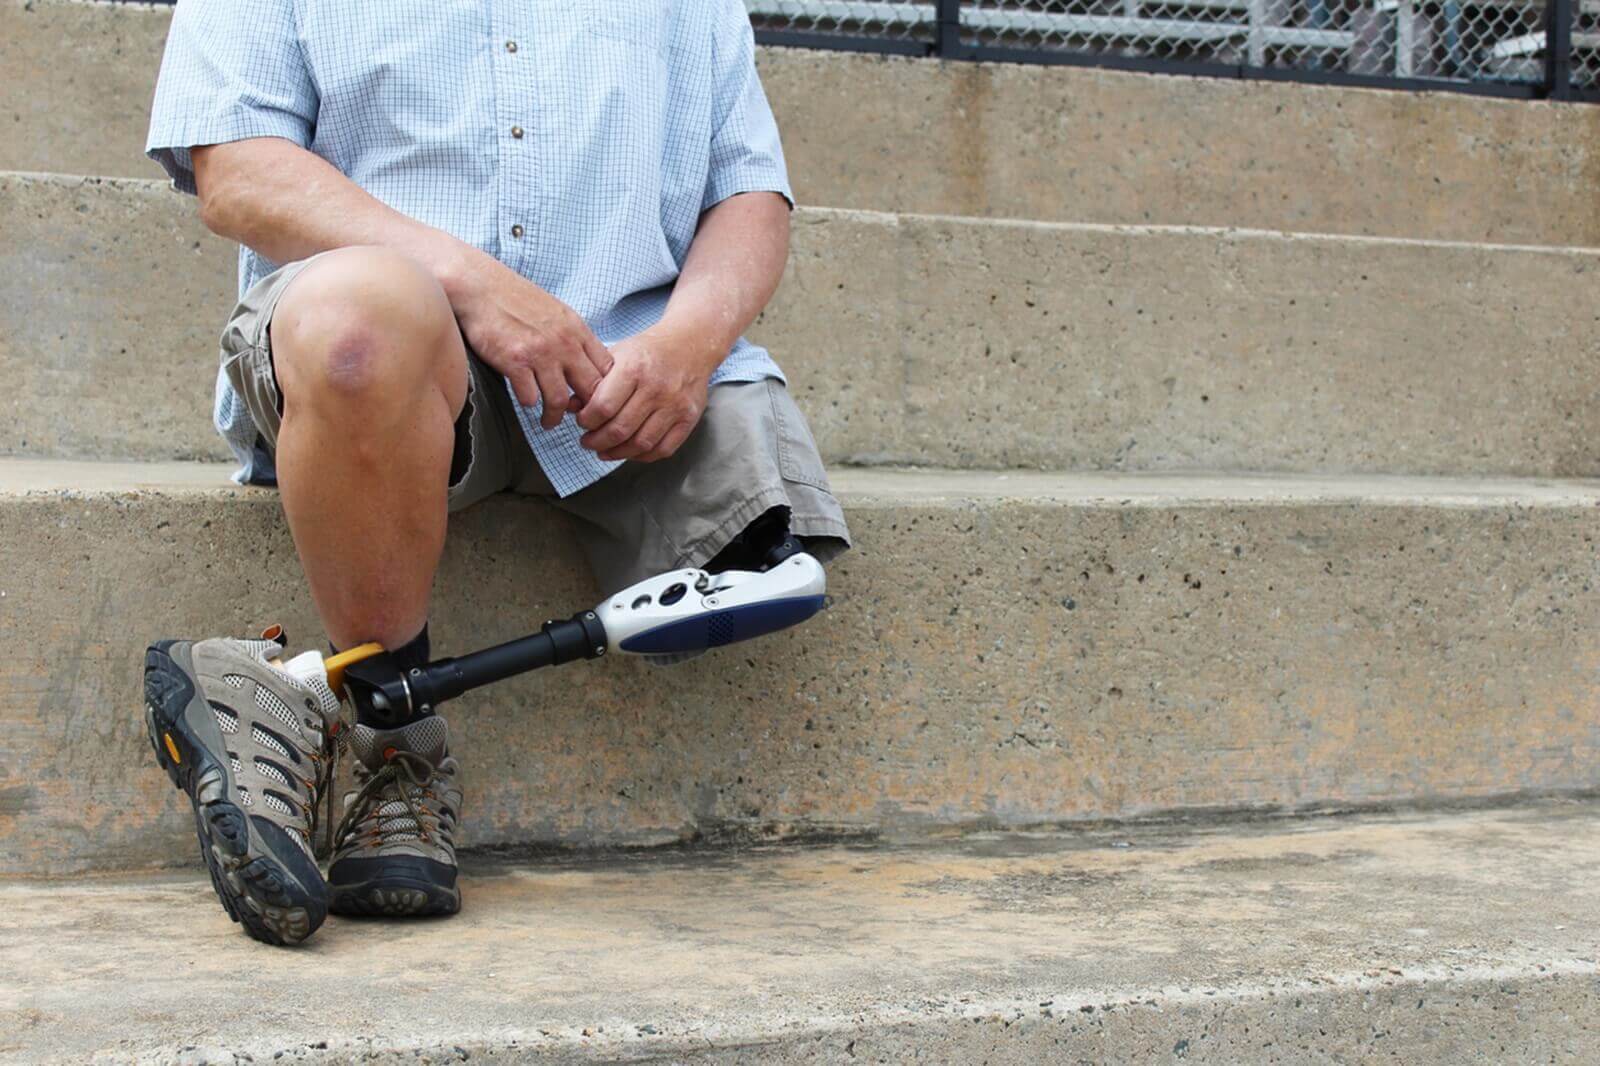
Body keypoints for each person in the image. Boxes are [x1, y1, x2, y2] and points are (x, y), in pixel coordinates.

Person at [140, 0, 851, 946]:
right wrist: (474, 286)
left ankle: (277, 693)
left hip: (631, 366)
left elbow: (750, 193)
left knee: (776, 565)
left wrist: (692, 342)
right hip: (402, 344)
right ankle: (398, 748)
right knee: (357, 332)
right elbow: (237, 173)